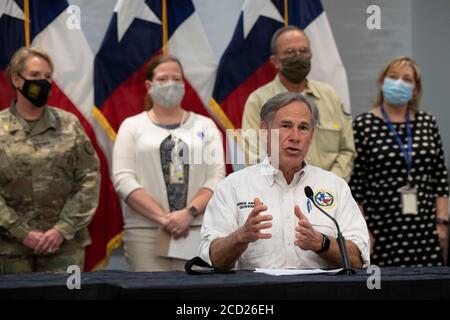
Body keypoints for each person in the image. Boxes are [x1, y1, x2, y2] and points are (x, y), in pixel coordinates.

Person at [199, 92, 369, 270]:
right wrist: (241, 236)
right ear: (265, 131)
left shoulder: (335, 186)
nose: (295, 137)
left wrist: (321, 243)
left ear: (311, 136)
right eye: (286, 126)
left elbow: (358, 259)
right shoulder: (232, 186)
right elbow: (211, 260)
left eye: (303, 128)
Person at [113, 54, 225, 272]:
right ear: (149, 85)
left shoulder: (205, 126)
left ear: (184, 84)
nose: (171, 84)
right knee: (149, 293)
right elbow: (123, 179)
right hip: (146, 232)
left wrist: (188, 214)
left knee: (194, 297)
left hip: (197, 228)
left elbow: (216, 177)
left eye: (177, 79)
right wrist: (164, 218)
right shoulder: (132, 126)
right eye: (163, 79)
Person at [0, 47, 100, 273]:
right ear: (17, 79)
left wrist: (61, 229)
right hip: (9, 248)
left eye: (47, 77)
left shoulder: (69, 124)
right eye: (35, 76)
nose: (43, 82)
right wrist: (20, 232)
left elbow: (89, 178)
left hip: (64, 248)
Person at [350, 56, 449, 267]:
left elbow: (440, 176)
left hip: (425, 229)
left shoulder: (427, 122)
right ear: (382, 82)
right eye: (393, 77)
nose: (399, 83)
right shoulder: (363, 124)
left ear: (415, 89)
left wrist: (442, 222)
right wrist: (362, 230)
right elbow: (356, 185)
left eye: (406, 79)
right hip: (381, 229)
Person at [241, 26, 356, 182]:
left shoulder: (330, 96)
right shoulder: (258, 101)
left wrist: (327, 185)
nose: (298, 57)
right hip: (276, 192)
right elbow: (254, 155)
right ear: (275, 61)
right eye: (289, 52)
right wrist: (289, 185)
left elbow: (346, 150)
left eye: (303, 51)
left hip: (327, 196)